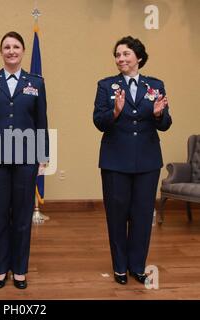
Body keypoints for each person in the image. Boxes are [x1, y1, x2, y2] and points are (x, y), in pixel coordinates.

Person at [93, 36, 172, 285]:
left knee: (141, 215)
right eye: (117, 54)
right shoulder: (106, 86)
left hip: (148, 162)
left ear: (138, 57)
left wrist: (159, 115)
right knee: (116, 216)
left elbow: (166, 124)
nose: (121, 58)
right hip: (115, 161)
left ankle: (137, 266)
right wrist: (115, 112)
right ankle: (119, 267)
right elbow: (98, 121)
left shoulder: (155, 85)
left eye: (126, 54)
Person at [0, 31, 49, 289]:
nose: (11, 51)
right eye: (6, 46)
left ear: (23, 50)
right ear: (1, 51)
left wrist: (43, 157)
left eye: (16, 46)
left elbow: (41, 122)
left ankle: (19, 269)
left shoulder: (35, 82)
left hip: (26, 159)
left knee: (21, 215)